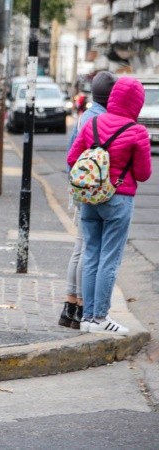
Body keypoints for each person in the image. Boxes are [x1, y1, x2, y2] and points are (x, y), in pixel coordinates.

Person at [67, 76, 152, 335]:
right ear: (137, 103)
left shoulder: (91, 122)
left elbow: (72, 158)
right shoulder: (137, 132)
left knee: (91, 254)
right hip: (118, 199)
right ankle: (100, 317)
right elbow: (144, 173)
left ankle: (87, 317)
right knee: (109, 259)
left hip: (90, 198)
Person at [59, 71, 116, 330]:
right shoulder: (104, 119)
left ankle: (69, 305)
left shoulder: (84, 116)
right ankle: (82, 305)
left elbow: (72, 152)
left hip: (80, 185)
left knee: (79, 247)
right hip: (95, 189)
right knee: (88, 248)